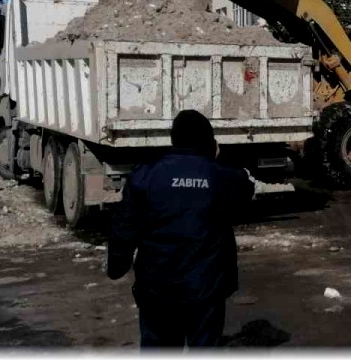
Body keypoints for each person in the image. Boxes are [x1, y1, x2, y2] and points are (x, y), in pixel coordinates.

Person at [107, 109, 257, 348]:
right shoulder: (219, 175)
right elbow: (245, 190)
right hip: (205, 288)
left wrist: (117, 264)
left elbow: (124, 225)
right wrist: (217, 158)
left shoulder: (146, 175)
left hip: (156, 287)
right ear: (208, 141)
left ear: (174, 139)